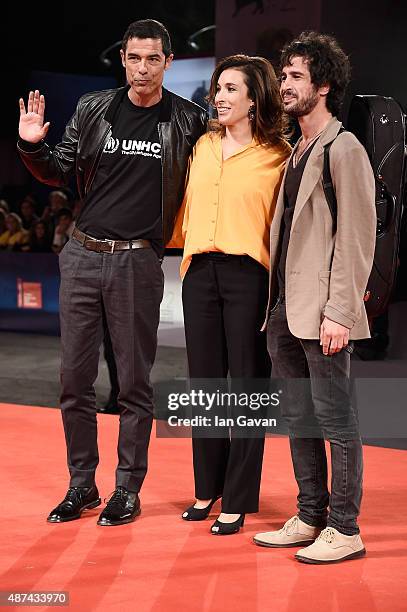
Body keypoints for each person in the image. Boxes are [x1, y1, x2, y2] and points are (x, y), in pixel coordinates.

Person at [18, 19, 206, 526]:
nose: (141, 68)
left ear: (168, 62)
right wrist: (33, 146)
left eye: (152, 59)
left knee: (133, 383)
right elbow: (59, 168)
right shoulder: (94, 107)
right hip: (81, 254)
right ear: (123, 59)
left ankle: (128, 487)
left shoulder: (190, 120)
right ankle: (82, 484)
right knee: (74, 381)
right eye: (133, 58)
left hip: (136, 260)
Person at [253, 32, 376, 563]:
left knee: (336, 420)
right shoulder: (297, 149)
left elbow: (356, 237)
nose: (285, 84)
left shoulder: (343, 149)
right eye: (284, 76)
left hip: (324, 310)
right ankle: (310, 514)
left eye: (297, 76)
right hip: (285, 308)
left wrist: (341, 312)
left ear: (323, 85)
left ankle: (345, 528)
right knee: (300, 417)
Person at [170, 55, 290, 535]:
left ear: (254, 97)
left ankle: (237, 498)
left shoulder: (279, 154)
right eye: (217, 88)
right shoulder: (200, 145)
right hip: (199, 271)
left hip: (249, 275)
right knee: (205, 385)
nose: (218, 96)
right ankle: (207, 488)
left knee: (246, 385)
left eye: (231, 89)